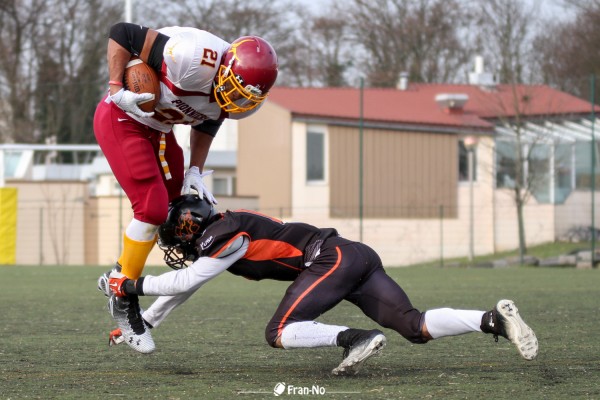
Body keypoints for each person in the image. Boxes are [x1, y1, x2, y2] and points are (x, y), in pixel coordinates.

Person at [100, 194, 539, 374]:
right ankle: (493, 321)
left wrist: (130, 289)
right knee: (413, 325)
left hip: (329, 259)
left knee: (277, 332)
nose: (176, 247)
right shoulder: (222, 230)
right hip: (351, 255)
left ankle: (358, 338)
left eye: (175, 239)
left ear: (189, 228)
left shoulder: (221, 237)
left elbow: (189, 277)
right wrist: (147, 323)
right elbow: (187, 285)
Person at [93, 22, 278, 353]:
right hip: (123, 118)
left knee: (186, 214)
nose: (236, 99)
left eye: (245, 96)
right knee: (150, 207)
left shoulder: (232, 95)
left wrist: (195, 168)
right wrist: (115, 89)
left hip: (160, 129)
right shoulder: (191, 56)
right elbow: (122, 33)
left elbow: (209, 120)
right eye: (236, 89)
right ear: (225, 66)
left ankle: (127, 282)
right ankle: (123, 298)